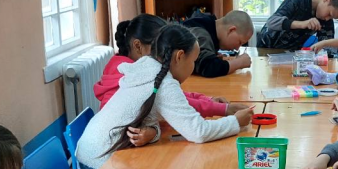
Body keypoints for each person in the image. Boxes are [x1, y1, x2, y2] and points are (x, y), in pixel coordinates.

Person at [75, 24, 255, 169]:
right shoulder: (164, 84)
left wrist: (153, 133)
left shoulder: (146, 67)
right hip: (99, 164)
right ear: (179, 56)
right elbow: (198, 132)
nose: (193, 67)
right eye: (193, 61)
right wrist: (235, 121)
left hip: (89, 152)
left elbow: (147, 115)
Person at [94, 14, 245, 119]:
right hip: (116, 151)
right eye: (157, 48)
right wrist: (222, 109)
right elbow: (174, 102)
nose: (163, 54)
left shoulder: (127, 65)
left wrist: (208, 100)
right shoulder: (130, 74)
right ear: (138, 46)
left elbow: (174, 94)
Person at [256, 0, 338, 50]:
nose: (328, 19)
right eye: (330, 14)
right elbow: (271, 22)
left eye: (332, 17)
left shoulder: (326, 18)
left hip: (289, 53)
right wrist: (302, 24)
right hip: (265, 48)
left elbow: (327, 44)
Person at [183, 10, 255, 77]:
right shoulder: (201, 33)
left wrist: (214, 55)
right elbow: (208, 68)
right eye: (240, 42)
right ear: (231, 30)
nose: (237, 48)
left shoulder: (209, 26)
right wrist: (239, 62)